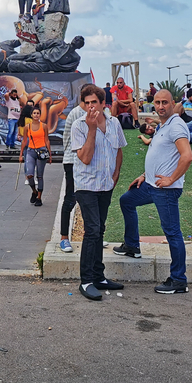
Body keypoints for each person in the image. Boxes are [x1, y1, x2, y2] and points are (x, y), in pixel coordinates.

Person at [113, 89, 192, 293]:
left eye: (165, 102)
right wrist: (144, 175)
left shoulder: (176, 126)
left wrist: (171, 179)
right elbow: (160, 155)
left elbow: (187, 156)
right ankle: (132, 246)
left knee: (172, 232)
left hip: (166, 189)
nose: (161, 106)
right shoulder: (162, 126)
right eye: (157, 102)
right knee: (127, 201)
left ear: (173, 104)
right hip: (151, 185)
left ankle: (178, 280)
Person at [70, 83, 127, 301]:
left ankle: (98, 276)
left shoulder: (114, 123)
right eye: (87, 103)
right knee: (92, 230)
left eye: (94, 102)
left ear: (103, 104)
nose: (91, 107)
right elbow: (85, 158)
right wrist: (92, 129)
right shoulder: (79, 126)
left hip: (105, 185)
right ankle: (86, 280)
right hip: (86, 185)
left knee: (100, 230)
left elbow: (118, 150)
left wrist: (116, 174)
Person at [57, 95, 88, 254]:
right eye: (89, 102)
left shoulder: (91, 113)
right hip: (73, 161)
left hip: (85, 162)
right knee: (70, 199)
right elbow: (72, 141)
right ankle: (64, 237)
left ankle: (91, 235)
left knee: (88, 200)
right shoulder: (77, 114)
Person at [21, 106, 51, 206]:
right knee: (29, 174)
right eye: (34, 113)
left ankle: (39, 197)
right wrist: (21, 154)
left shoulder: (44, 126)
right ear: (31, 115)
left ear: (40, 115)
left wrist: (50, 154)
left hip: (42, 151)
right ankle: (34, 191)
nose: (36, 115)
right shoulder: (27, 127)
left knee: (39, 175)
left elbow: (47, 140)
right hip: (31, 151)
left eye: (38, 113)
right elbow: (24, 141)